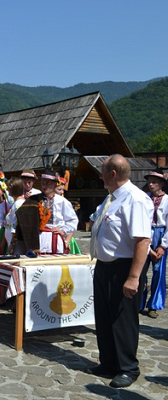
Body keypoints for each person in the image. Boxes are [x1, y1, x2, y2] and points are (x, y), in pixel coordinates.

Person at [88, 154, 153, 388]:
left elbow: (142, 241)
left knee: (122, 319)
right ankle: (108, 361)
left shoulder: (135, 199)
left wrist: (134, 277)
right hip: (104, 267)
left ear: (113, 174)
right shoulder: (112, 198)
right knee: (104, 317)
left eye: (102, 171)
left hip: (123, 267)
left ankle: (128, 368)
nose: (100, 176)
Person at [140, 168, 168, 319]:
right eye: (149, 182)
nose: (151, 185)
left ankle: (154, 305)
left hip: (161, 234)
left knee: (158, 271)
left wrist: (163, 245)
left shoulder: (167, 200)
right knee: (141, 269)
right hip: (145, 233)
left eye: (154, 182)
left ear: (161, 184)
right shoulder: (145, 198)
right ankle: (139, 301)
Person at [55, 176, 81, 254]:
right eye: (59, 189)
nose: (62, 192)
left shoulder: (65, 202)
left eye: (63, 190)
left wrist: (67, 241)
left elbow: (72, 222)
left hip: (65, 239)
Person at [5, 177, 26, 255]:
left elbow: (16, 225)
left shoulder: (18, 204)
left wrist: (12, 244)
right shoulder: (15, 203)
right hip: (13, 242)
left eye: (9, 188)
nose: (7, 190)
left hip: (16, 244)